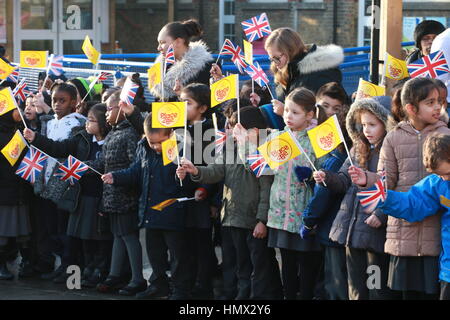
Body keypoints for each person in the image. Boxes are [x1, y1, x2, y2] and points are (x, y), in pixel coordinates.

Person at [177, 107, 283, 300]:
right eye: (233, 129)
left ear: (255, 131)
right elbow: (216, 171)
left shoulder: (265, 150)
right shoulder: (230, 148)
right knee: (239, 265)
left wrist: (262, 219)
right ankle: (239, 296)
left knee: (258, 267)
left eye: (239, 130)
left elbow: (266, 188)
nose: (234, 134)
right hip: (232, 217)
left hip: (253, 221)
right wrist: (195, 171)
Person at [367, 77, 450, 299]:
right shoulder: (393, 138)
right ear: (411, 108)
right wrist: (371, 185)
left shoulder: (447, 135)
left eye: (438, 101)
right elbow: (388, 181)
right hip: (404, 233)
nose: (437, 107)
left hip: (436, 240)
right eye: (430, 102)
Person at [102, 114, 193, 300]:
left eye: (159, 143)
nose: (155, 147)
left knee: (178, 256)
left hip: (172, 212)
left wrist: (183, 176)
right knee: (155, 253)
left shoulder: (182, 150)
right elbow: (137, 171)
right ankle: (158, 285)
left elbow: (190, 181)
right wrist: (116, 177)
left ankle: (180, 290)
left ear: (171, 135)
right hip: (151, 212)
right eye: (151, 142)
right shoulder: (144, 148)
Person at [23, 104, 113, 288]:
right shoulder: (81, 138)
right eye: (87, 118)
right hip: (80, 196)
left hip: (100, 197)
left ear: (103, 124)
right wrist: (36, 138)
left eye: (92, 120)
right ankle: (84, 271)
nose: (87, 123)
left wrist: (82, 167)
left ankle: (99, 270)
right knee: (79, 237)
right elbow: (59, 148)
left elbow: (102, 163)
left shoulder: (111, 141)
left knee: (97, 238)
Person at [313, 98, 393, 300]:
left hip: (374, 234)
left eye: (372, 125)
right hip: (351, 231)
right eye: (363, 124)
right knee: (355, 288)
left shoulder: (391, 151)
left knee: (375, 288)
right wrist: (327, 178)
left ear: (387, 123)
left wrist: (381, 214)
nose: (366, 130)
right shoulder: (357, 149)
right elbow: (343, 179)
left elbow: (394, 187)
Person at [264, 88, 327, 300]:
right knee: (287, 265)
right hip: (281, 212)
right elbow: (260, 167)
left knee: (307, 265)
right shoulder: (277, 137)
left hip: (304, 213)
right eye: (287, 111)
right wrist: (245, 142)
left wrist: (312, 176)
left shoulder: (317, 140)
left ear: (310, 115)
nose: (288, 116)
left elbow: (326, 175)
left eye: (295, 112)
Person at [88, 91, 145, 296]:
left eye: (110, 109)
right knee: (118, 235)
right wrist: (84, 166)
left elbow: (135, 165)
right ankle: (114, 275)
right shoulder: (113, 132)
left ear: (121, 109)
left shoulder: (129, 133)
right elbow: (104, 162)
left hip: (125, 195)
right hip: (111, 195)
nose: (106, 114)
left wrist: (120, 178)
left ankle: (137, 278)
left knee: (128, 236)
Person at [32, 83, 87, 283]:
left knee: (66, 231)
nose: (56, 104)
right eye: (54, 100)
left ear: (74, 102)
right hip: (47, 184)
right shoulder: (50, 122)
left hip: (65, 185)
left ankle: (72, 271)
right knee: (53, 229)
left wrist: (37, 139)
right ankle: (61, 266)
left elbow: (62, 150)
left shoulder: (78, 123)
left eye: (62, 100)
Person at [299, 107, 351, 300]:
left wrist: (307, 221)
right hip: (351, 233)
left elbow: (322, 196)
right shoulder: (357, 158)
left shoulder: (335, 161)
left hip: (333, 231)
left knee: (334, 284)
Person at [264, 27, 344, 117]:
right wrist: (261, 100)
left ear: (290, 52)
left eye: (276, 58)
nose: (274, 63)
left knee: (257, 123)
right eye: (271, 59)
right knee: (256, 119)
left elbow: (316, 118)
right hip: (290, 128)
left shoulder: (317, 74)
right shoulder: (286, 70)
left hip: (320, 129)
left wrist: (285, 113)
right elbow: (282, 101)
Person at [0, 111, 32, 280]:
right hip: (5, 191)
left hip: (20, 189)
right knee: (3, 232)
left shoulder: (20, 131)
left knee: (19, 232)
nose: (18, 111)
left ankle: (23, 262)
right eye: (14, 109)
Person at [151, 19, 214, 102]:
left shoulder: (208, 67)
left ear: (178, 42)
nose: (158, 48)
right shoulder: (160, 67)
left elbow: (210, 104)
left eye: (162, 42)